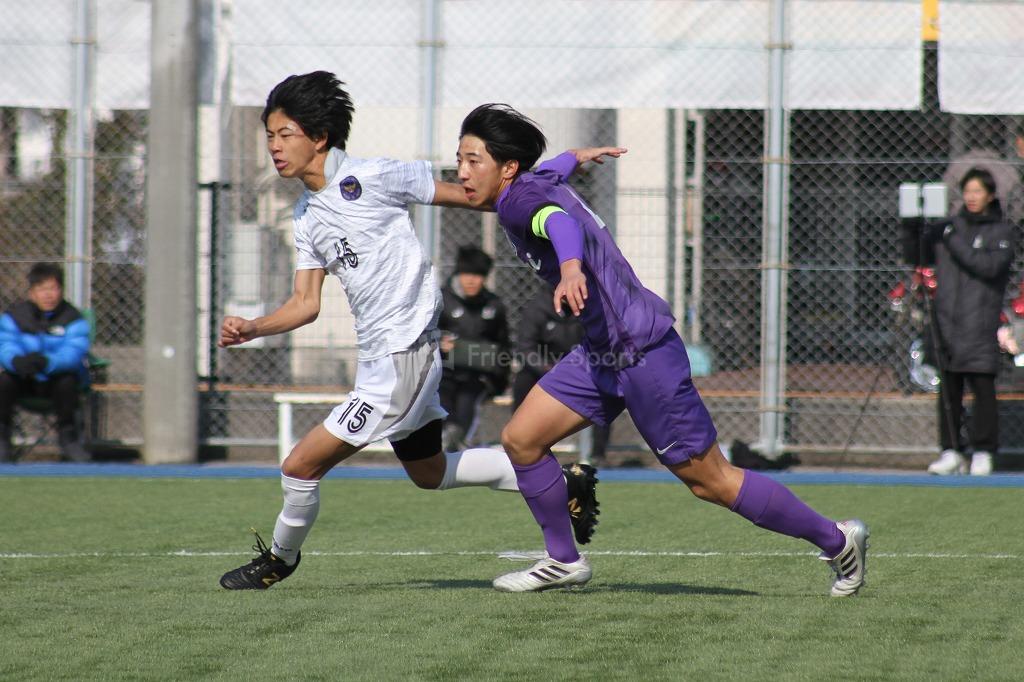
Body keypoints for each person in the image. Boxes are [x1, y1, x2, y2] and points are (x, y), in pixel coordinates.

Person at [455, 103, 868, 596]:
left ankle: (837, 539)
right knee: (522, 439)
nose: (463, 171)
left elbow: (558, 224)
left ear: (507, 168)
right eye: (460, 159)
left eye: (473, 160)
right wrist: (579, 155)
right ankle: (563, 560)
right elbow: (557, 169)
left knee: (710, 481)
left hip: (642, 354)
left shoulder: (519, 202)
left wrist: (570, 267)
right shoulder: (537, 178)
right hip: (602, 352)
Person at [216, 72, 598, 590]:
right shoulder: (305, 216)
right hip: (378, 361)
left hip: (405, 359)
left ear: (320, 137)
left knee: (300, 465)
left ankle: (280, 560)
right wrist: (254, 327)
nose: (274, 146)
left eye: (285, 134)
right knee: (430, 473)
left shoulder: (374, 176)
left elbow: (480, 195)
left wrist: (556, 174)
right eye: (269, 135)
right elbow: (305, 305)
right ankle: (564, 481)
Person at [924, 168, 1017, 476]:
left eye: (978, 191)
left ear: (989, 195)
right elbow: (917, 257)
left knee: (982, 387)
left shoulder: (1000, 232)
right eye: (967, 191)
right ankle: (951, 450)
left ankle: (983, 451)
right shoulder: (949, 228)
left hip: (980, 322)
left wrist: (952, 240)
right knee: (948, 390)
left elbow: (988, 267)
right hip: (947, 322)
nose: (972, 197)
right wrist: (914, 230)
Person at [0, 263, 91, 463]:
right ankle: (2, 439)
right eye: (42, 289)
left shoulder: (73, 319)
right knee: (4, 381)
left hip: (55, 381)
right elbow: (5, 344)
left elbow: (75, 351)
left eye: (53, 288)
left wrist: (48, 362)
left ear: (61, 290)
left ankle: (69, 439)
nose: (48, 295)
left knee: (67, 381)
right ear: (32, 292)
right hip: (24, 379)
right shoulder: (14, 317)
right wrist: (16, 361)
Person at [514, 284, 610, 466]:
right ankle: (520, 443)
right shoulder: (537, 307)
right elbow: (525, 349)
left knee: (604, 385)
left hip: (580, 369)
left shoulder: (592, 308)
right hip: (545, 370)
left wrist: (578, 368)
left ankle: (597, 454)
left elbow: (601, 346)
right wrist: (549, 370)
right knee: (523, 380)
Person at [438, 245, 510, 452]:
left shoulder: (494, 305)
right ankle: (447, 437)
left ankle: (458, 442)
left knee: (467, 403)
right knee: (441, 400)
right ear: (458, 273)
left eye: (478, 275)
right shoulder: (440, 300)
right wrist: (438, 344)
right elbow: (422, 335)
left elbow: (503, 346)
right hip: (443, 372)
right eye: (467, 274)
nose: (471, 280)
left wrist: (499, 378)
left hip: (476, 377)